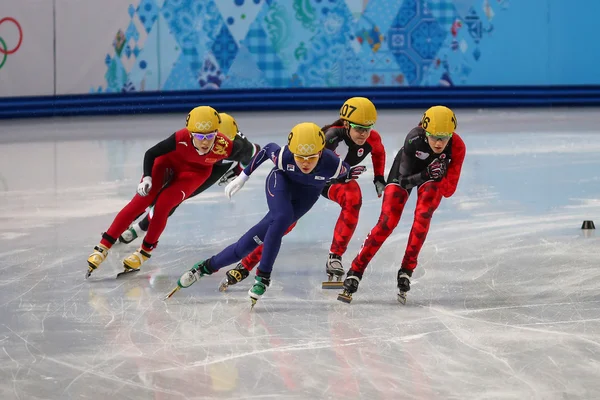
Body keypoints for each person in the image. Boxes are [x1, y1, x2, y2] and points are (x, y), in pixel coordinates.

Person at [165, 122, 364, 306]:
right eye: (300, 157)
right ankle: (263, 277)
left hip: (306, 197)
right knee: (283, 218)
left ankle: (203, 268)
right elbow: (268, 148)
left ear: (321, 153)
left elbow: (345, 173)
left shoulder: (334, 165)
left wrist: (347, 176)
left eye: (311, 158)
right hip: (281, 184)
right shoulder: (284, 156)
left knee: (244, 247)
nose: (305, 163)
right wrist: (243, 177)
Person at [217, 97, 386, 292]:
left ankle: (335, 257)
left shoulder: (373, 138)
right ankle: (246, 264)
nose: (364, 134)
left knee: (353, 198)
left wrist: (379, 177)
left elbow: (379, 152)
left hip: (334, 179)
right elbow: (306, 166)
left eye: (368, 128)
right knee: (284, 224)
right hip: (307, 180)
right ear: (346, 124)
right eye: (359, 128)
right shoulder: (329, 138)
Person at [85, 106, 257, 278]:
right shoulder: (181, 137)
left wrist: (239, 173)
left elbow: (255, 152)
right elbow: (151, 153)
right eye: (199, 136)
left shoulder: (228, 146)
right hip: (168, 163)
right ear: (190, 134)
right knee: (141, 201)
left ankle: (144, 251)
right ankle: (103, 246)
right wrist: (147, 177)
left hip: (196, 172)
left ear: (218, 134)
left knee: (164, 205)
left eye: (210, 136)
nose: (205, 142)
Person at [339, 105, 466, 304]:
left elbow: (449, 191)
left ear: (452, 134)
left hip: (433, 177)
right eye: (433, 136)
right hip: (407, 173)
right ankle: (356, 269)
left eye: (444, 137)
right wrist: (427, 173)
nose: (439, 143)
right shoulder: (414, 138)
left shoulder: (457, 146)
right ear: (425, 131)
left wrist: (440, 174)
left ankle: (407, 268)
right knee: (387, 221)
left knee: (423, 217)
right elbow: (404, 181)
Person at [117, 112, 259, 245]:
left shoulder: (240, 147)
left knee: (173, 199)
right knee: (153, 193)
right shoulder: (201, 134)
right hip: (191, 159)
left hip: (213, 168)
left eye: (218, 144)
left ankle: (141, 228)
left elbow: (256, 152)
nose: (209, 145)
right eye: (208, 138)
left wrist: (239, 171)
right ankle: (126, 222)